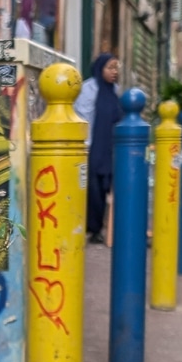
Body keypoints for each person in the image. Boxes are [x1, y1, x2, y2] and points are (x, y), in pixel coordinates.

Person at [75, 53, 123, 245]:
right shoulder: (88, 89)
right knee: (93, 189)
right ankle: (91, 227)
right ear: (100, 69)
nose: (114, 72)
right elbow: (84, 118)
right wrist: (84, 148)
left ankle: (99, 229)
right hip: (94, 148)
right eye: (110, 68)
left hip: (110, 147)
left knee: (105, 187)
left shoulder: (115, 90)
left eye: (116, 68)